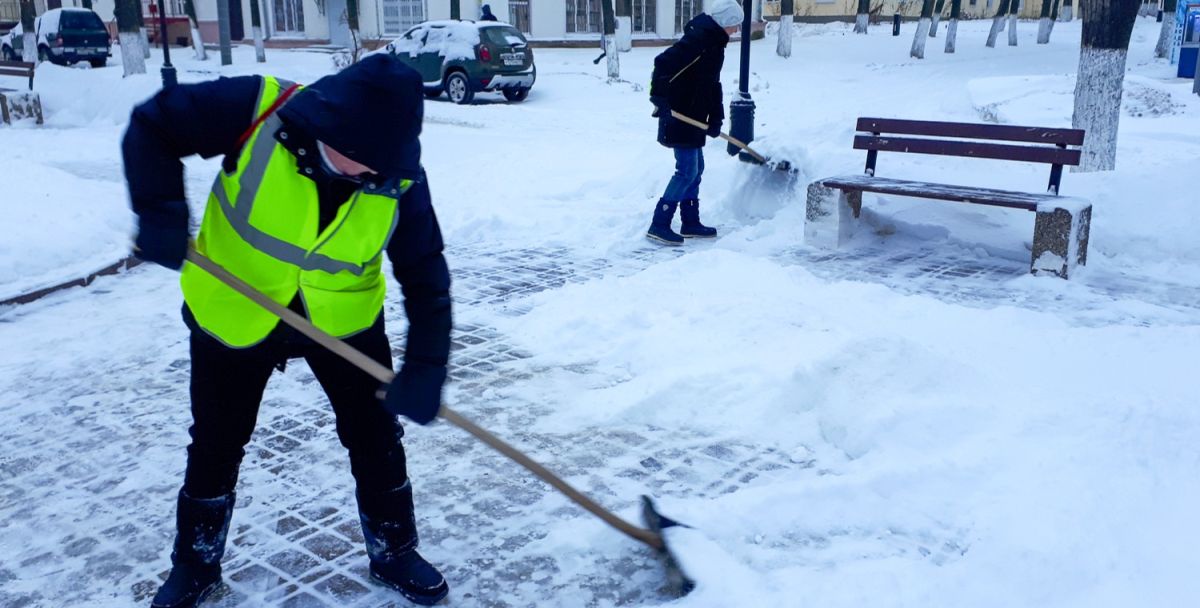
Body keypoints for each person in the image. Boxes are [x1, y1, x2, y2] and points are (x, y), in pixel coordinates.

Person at [122, 54, 452, 608]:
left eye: (380, 168)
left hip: (342, 320)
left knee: (376, 437)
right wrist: (158, 211)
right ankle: (196, 564)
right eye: (358, 163)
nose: (369, 177)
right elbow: (153, 123)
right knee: (217, 443)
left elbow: (426, 274)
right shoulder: (258, 107)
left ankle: (394, 549)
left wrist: (425, 367)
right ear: (330, 125)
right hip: (235, 306)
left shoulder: (395, 174)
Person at [646, 0, 744, 246]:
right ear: (724, 22)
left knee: (696, 170)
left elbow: (712, 85)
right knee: (687, 171)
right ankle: (659, 224)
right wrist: (659, 97)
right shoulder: (698, 41)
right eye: (734, 25)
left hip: (695, 118)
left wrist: (716, 117)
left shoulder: (713, 44)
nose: (736, 30)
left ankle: (690, 222)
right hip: (680, 115)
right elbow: (663, 63)